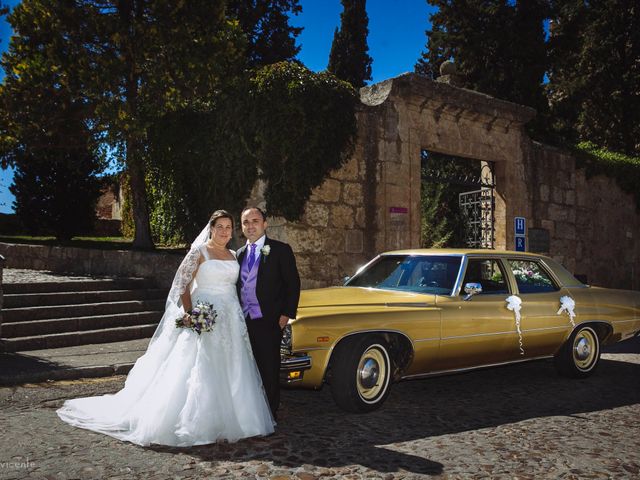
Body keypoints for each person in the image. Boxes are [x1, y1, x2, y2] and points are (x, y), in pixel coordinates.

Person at [57, 210, 275, 447]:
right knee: (199, 366)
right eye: (219, 226)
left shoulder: (235, 255)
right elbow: (183, 283)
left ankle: (240, 419)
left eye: (228, 227)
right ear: (211, 228)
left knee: (233, 365)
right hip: (204, 313)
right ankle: (195, 422)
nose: (224, 231)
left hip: (231, 318)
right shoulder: (199, 252)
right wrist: (191, 314)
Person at [237, 207, 301, 420]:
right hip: (243, 322)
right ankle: (250, 412)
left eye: (255, 221)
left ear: (265, 224)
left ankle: (270, 413)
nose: (250, 225)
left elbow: (293, 284)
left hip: (270, 321)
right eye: (246, 222)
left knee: (269, 368)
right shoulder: (238, 254)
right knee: (247, 369)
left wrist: (285, 316)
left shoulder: (280, 250)